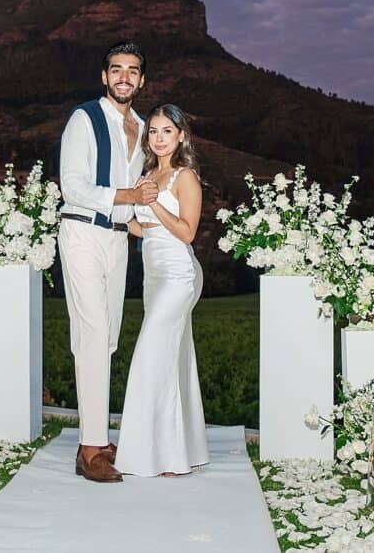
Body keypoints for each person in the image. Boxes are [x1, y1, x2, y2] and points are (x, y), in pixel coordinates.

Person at [58, 41, 158, 483]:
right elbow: (72, 186)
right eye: (116, 69)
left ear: (141, 80)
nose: (124, 77)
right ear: (104, 76)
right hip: (81, 232)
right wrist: (128, 197)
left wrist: (148, 226)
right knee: (94, 333)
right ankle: (89, 448)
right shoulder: (84, 118)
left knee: (108, 337)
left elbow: (136, 200)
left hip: (118, 240)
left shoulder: (141, 126)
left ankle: (98, 435)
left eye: (132, 71)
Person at [114, 104, 210, 477]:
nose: (158, 138)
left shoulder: (185, 177)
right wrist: (122, 220)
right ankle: (180, 448)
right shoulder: (147, 175)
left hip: (179, 275)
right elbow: (144, 227)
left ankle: (163, 454)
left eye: (166, 131)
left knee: (152, 352)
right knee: (173, 355)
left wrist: (153, 202)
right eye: (152, 131)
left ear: (181, 136)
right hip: (152, 276)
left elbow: (186, 232)